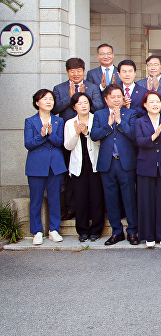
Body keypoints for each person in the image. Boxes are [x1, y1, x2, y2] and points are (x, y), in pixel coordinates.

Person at [52, 57, 104, 221]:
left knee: (92, 172)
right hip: (70, 132)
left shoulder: (92, 87)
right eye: (72, 71)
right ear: (67, 72)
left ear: (83, 71)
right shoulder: (59, 88)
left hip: (90, 130)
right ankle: (71, 207)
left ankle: (91, 207)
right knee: (71, 171)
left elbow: (99, 107)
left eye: (79, 70)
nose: (76, 74)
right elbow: (54, 109)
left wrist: (84, 97)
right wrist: (70, 97)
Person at [90, 84, 139, 246]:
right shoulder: (99, 114)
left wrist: (120, 121)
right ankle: (116, 231)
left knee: (129, 198)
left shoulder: (131, 114)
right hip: (107, 163)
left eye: (119, 96)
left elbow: (134, 136)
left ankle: (132, 231)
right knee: (111, 199)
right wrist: (109, 124)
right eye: (113, 97)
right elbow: (94, 135)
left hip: (126, 162)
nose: (117, 99)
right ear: (106, 99)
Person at [25, 89, 67, 245]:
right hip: (36, 165)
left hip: (55, 164)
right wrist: (41, 135)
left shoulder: (58, 121)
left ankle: (54, 230)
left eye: (51, 99)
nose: (49, 101)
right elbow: (28, 144)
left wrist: (49, 134)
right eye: (45, 99)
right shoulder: (30, 121)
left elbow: (59, 143)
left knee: (55, 198)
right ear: (37, 103)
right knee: (35, 200)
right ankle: (36, 231)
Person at [135, 91, 161, 247]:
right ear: (145, 104)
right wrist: (154, 136)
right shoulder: (139, 121)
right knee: (146, 201)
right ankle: (149, 235)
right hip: (146, 166)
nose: (155, 104)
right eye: (151, 102)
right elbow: (139, 141)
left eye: (158, 101)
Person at [63, 93, 105, 242]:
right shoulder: (69, 123)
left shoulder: (97, 119)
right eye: (80, 103)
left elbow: (101, 142)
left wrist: (87, 133)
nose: (84, 105)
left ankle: (96, 230)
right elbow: (67, 146)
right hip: (78, 166)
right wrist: (77, 133)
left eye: (86, 102)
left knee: (97, 199)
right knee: (80, 200)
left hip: (95, 165)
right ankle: (83, 231)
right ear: (74, 106)